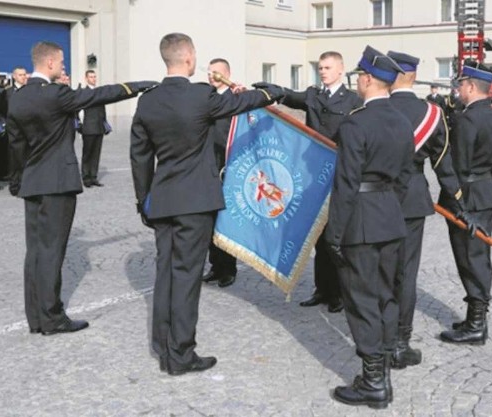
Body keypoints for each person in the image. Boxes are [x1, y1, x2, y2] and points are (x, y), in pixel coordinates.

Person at [130, 32, 283, 376]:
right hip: (195, 201)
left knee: (165, 272)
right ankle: (181, 353)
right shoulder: (201, 97)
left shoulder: (148, 101)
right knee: (186, 276)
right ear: (189, 58)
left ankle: (162, 343)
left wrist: (144, 201)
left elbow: (139, 157)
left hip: (163, 199)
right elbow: (245, 103)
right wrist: (267, 92)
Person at [7, 40, 156, 336]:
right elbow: (98, 95)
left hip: (33, 181)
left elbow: (16, 144)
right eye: (61, 62)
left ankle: (36, 317)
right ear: (49, 63)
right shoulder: (56, 94)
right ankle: (52, 317)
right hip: (58, 182)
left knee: (35, 250)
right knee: (52, 251)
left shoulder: (18, 97)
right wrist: (136, 86)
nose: (63, 67)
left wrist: (22, 177)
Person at [324, 46, 413, 409]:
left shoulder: (356, 122)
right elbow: (405, 177)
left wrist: (335, 232)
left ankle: (374, 381)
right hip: (390, 217)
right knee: (386, 295)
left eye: (358, 77)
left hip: (360, 220)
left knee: (361, 300)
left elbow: (345, 184)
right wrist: (388, 207)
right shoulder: (402, 121)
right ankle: (385, 364)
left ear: (366, 79)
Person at [386, 51, 476, 369]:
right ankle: (400, 343)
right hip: (411, 200)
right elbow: (443, 165)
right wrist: (460, 203)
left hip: (376, 200)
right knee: (405, 274)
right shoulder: (432, 113)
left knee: (378, 271)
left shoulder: (372, 109)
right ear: (412, 76)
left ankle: (377, 343)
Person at [280, 51, 362, 314]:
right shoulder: (314, 95)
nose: (323, 72)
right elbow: (291, 97)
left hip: (339, 174)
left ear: (340, 70)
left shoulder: (353, 100)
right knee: (316, 233)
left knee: (335, 233)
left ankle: (338, 292)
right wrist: (272, 92)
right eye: (320, 68)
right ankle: (322, 289)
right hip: (314, 174)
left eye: (327, 68)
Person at [438, 60, 492, 345]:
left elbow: (458, 166)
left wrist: (457, 201)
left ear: (471, 87)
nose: (458, 90)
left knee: (470, 258)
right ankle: (474, 317)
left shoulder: (467, 119)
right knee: (477, 256)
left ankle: (476, 325)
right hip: (486, 192)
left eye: (461, 85)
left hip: (468, 198)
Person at [201, 58, 239, 288]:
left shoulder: (234, 99)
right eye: (208, 72)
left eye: (215, 72)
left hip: (227, 166)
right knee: (210, 219)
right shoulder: (206, 98)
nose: (210, 76)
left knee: (225, 220)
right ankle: (215, 265)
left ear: (226, 73)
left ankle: (228, 268)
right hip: (208, 166)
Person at [80, 70, 109, 187]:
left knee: (96, 153)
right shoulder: (83, 93)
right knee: (87, 153)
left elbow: (103, 110)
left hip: (98, 127)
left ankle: (93, 177)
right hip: (88, 127)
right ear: (86, 78)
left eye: (94, 77)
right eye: (91, 77)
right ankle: (86, 177)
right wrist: (81, 126)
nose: (93, 79)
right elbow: (79, 111)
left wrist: (104, 124)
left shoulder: (99, 92)